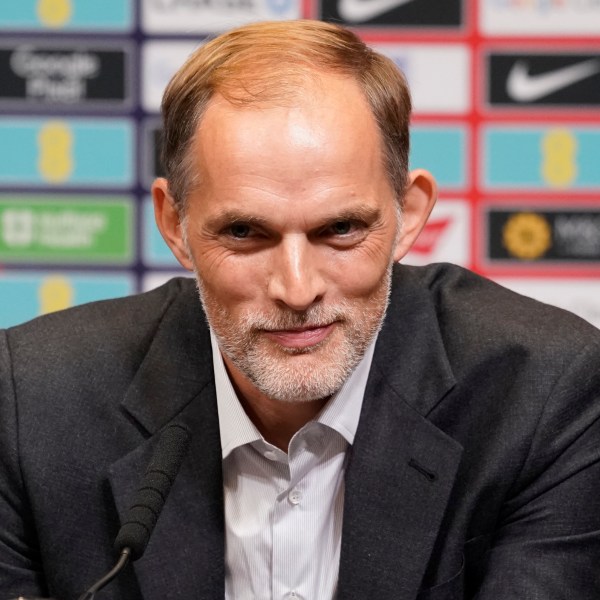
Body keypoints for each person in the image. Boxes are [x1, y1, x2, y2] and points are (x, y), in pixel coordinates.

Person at [1, 19, 600, 600]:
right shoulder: (30, 402)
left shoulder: (545, 396)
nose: (296, 288)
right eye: (243, 232)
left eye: (340, 229)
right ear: (174, 225)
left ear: (409, 215)